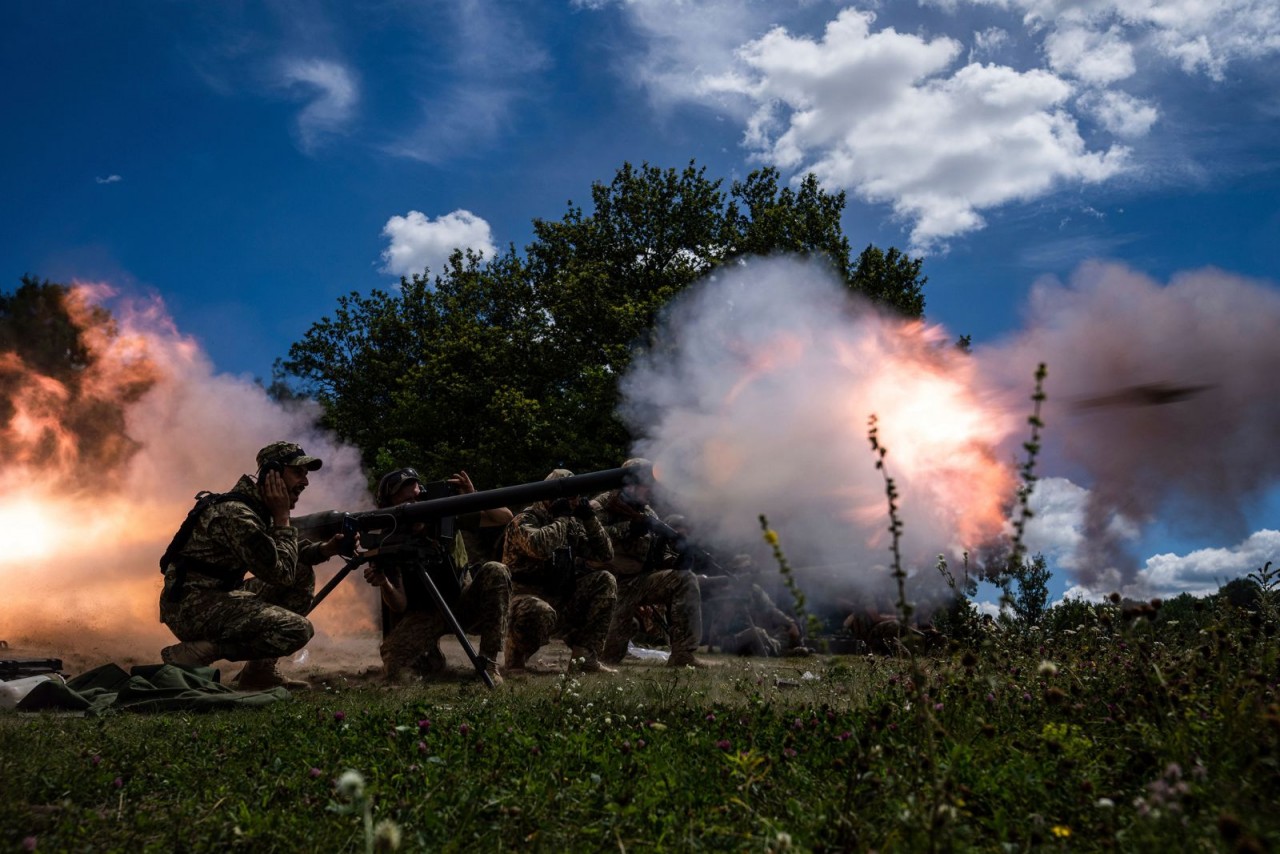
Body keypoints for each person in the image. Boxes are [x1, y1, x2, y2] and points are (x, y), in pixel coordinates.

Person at [158, 441, 353, 690]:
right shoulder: (237, 515)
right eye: (297, 473)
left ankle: (259, 673)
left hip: (216, 594)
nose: (305, 482)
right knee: (296, 629)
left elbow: (282, 555)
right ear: (271, 473)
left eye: (306, 475)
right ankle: (203, 650)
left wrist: (326, 550)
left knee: (301, 571)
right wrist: (283, 517)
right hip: (190, 606)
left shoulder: (257, 509)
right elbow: (280, 573)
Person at [362, 467, 510, 686]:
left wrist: (473, 495)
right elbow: (399, 604)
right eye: (406, 502)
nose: (415, 505)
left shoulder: (446, 518)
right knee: (395, 667)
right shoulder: (389, 543)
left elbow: (504, 517)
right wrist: (384, 582)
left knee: (496, 570)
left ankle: (488, 663)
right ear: (389, 506)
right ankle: (431, 659)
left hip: (463, 601)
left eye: (417, 497)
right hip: (426, 613)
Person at [502, 469, 618, 673]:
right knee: (538, 610)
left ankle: (585, 658)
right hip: (524, 599)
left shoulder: (572, 523)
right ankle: (516, 660)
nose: (575, 500)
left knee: (605, 580)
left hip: (560, 597)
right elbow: (539, 547)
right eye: (571, 495)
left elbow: (605, 555)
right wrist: (562, 518)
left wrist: (589, 519)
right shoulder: (525, 519)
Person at [592, 459, 704, 668]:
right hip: (604, 585)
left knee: (685, 580)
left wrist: (680, 557)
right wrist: (628, 529)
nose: (650, 491)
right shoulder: (602, 506)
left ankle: (683, 654)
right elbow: (588, 540)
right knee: (607, 657)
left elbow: (654, 557)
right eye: (646, 484)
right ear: (630, 484)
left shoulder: (648, 514)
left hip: (637, 583)